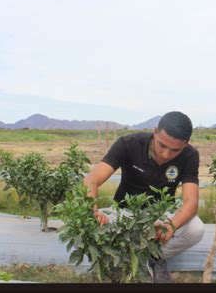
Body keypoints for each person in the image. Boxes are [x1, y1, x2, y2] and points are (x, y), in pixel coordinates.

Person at [83, 111, 204, 283]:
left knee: (195, 229)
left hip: (160, 218)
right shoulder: (128, 144)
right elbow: (91, 180)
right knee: (87, 226)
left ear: (186, 144)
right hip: (125, 215)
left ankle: (154, 257)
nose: (166, 154)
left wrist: (171, 225)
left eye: (175, 150)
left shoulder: (189, 155)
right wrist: (93, 210)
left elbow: (191, 202)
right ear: (155, 132)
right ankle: (125, 258)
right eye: (162, 145)